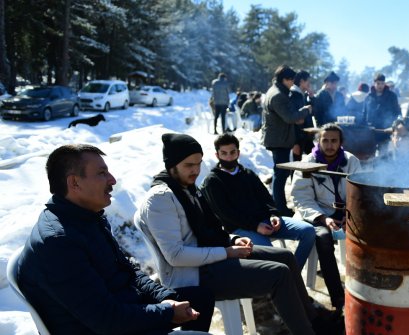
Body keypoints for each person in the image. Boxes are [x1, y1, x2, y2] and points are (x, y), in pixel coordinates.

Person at [136, 133, 341, 335]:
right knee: (279, 274)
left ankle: (313, 321)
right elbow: (176, 256)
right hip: (193, 275)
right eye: (189, 165)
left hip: (209, 260)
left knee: (286, 257)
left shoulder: (186, 188)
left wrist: (233, 240)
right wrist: (228, 252)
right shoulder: (161, 199)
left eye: (198, 164)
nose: (196, 170)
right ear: (171, 165)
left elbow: (211, 228)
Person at [17, 144, 214, 334]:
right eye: (102, 173)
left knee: (200, 298)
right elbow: (106, 320)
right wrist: (168, 313)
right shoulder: (58, 243)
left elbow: (128, 271)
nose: (112, 180)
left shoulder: (88, 218)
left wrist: (165, 298)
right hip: (105, 327)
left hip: (124, 308)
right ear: (74, 183)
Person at [201, 133, 316, 270]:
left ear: (238, 153)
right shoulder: (212, 181)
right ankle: (289, 278)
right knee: (278, 256)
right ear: (217, 155)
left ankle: (293, 272)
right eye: (224, 153)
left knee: (308, 231)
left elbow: (266, 197)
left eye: (232, 152)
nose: (229, 157)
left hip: (267, 222)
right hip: (242, 228)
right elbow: (227, 214)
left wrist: (274, 214)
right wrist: (256, 226)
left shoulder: (247, 174)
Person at [290, 123, 362, 313]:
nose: (330, 145)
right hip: (316, 213)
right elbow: (301, 198)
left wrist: (350, 215)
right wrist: (323, 218)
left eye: (334, 141)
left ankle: (363, 288)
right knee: (323, 238)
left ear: (340, 143)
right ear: (318, 141)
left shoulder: (351, 161)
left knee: (371, 230)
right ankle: (338, 298)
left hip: (346, 212)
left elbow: (360, 193)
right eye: (326, 140)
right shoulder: (308, 163)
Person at [261, 65, 309, 217]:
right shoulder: (278, 95)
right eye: (291, 80)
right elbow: (289, 117)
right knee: (280, 175)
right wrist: (306, 110)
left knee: (280, 173)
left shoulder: (276, 91)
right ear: (285, 79)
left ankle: (279, 205)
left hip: (279, 138)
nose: (292, 84)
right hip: (279, 139)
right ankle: (280, 208)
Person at [364, 73, 401, 146]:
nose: (380, 86)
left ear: (385, 84)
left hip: (386, 130)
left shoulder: (392, 96)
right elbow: (365, 112)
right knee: (370, 153)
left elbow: (397, 112)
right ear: (374, 84)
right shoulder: (369, 97)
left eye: (382, 83)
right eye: (378, 83)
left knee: (383, 153)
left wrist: (395, 126)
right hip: (372, 130)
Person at [291, 70, 315, 160]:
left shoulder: (303, 94)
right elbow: (294, 118)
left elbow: (312, 111)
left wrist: (312, 97)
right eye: (308, 80)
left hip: (306, 134)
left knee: (314, 156)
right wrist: (295, 142)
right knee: (296, 161)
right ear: (301, 81)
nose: (310, 83)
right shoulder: (294, 94)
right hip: (298, 135)